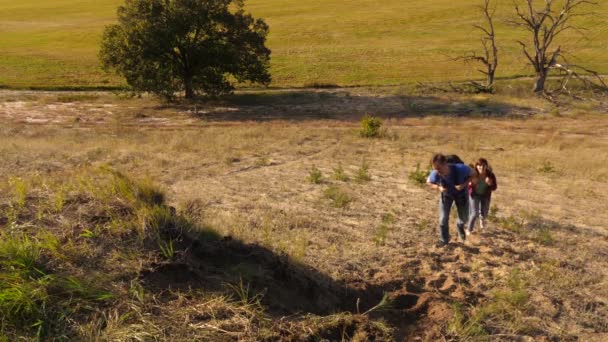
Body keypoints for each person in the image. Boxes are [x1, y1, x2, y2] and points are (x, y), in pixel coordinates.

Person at [427, 154, 474, 247]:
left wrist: (463, 185)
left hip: (461, 194)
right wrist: (438, 187)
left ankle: (459, 225)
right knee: (443, 219)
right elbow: (428, 182)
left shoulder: (461, 169)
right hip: (446, 195)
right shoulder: (436, 172)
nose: (437, 171)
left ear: (445, 164)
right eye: (435, 168)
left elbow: (473, 174)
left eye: (438, 168)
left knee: (464, 218)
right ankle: (444, 239)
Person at [466, 158, 497, 235]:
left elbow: (494, 187)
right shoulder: (473, 174)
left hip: (485, 195)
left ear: (486, 166)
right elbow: (465, 183)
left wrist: (490, 183)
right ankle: (469, 230)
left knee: (484, 212)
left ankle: (482, 220)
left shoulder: (490, 175)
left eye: (483, 165)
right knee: (474, 213)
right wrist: (470, 184)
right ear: (476, 166)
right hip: (474, 195)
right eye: (479, 165)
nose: (481, 167)